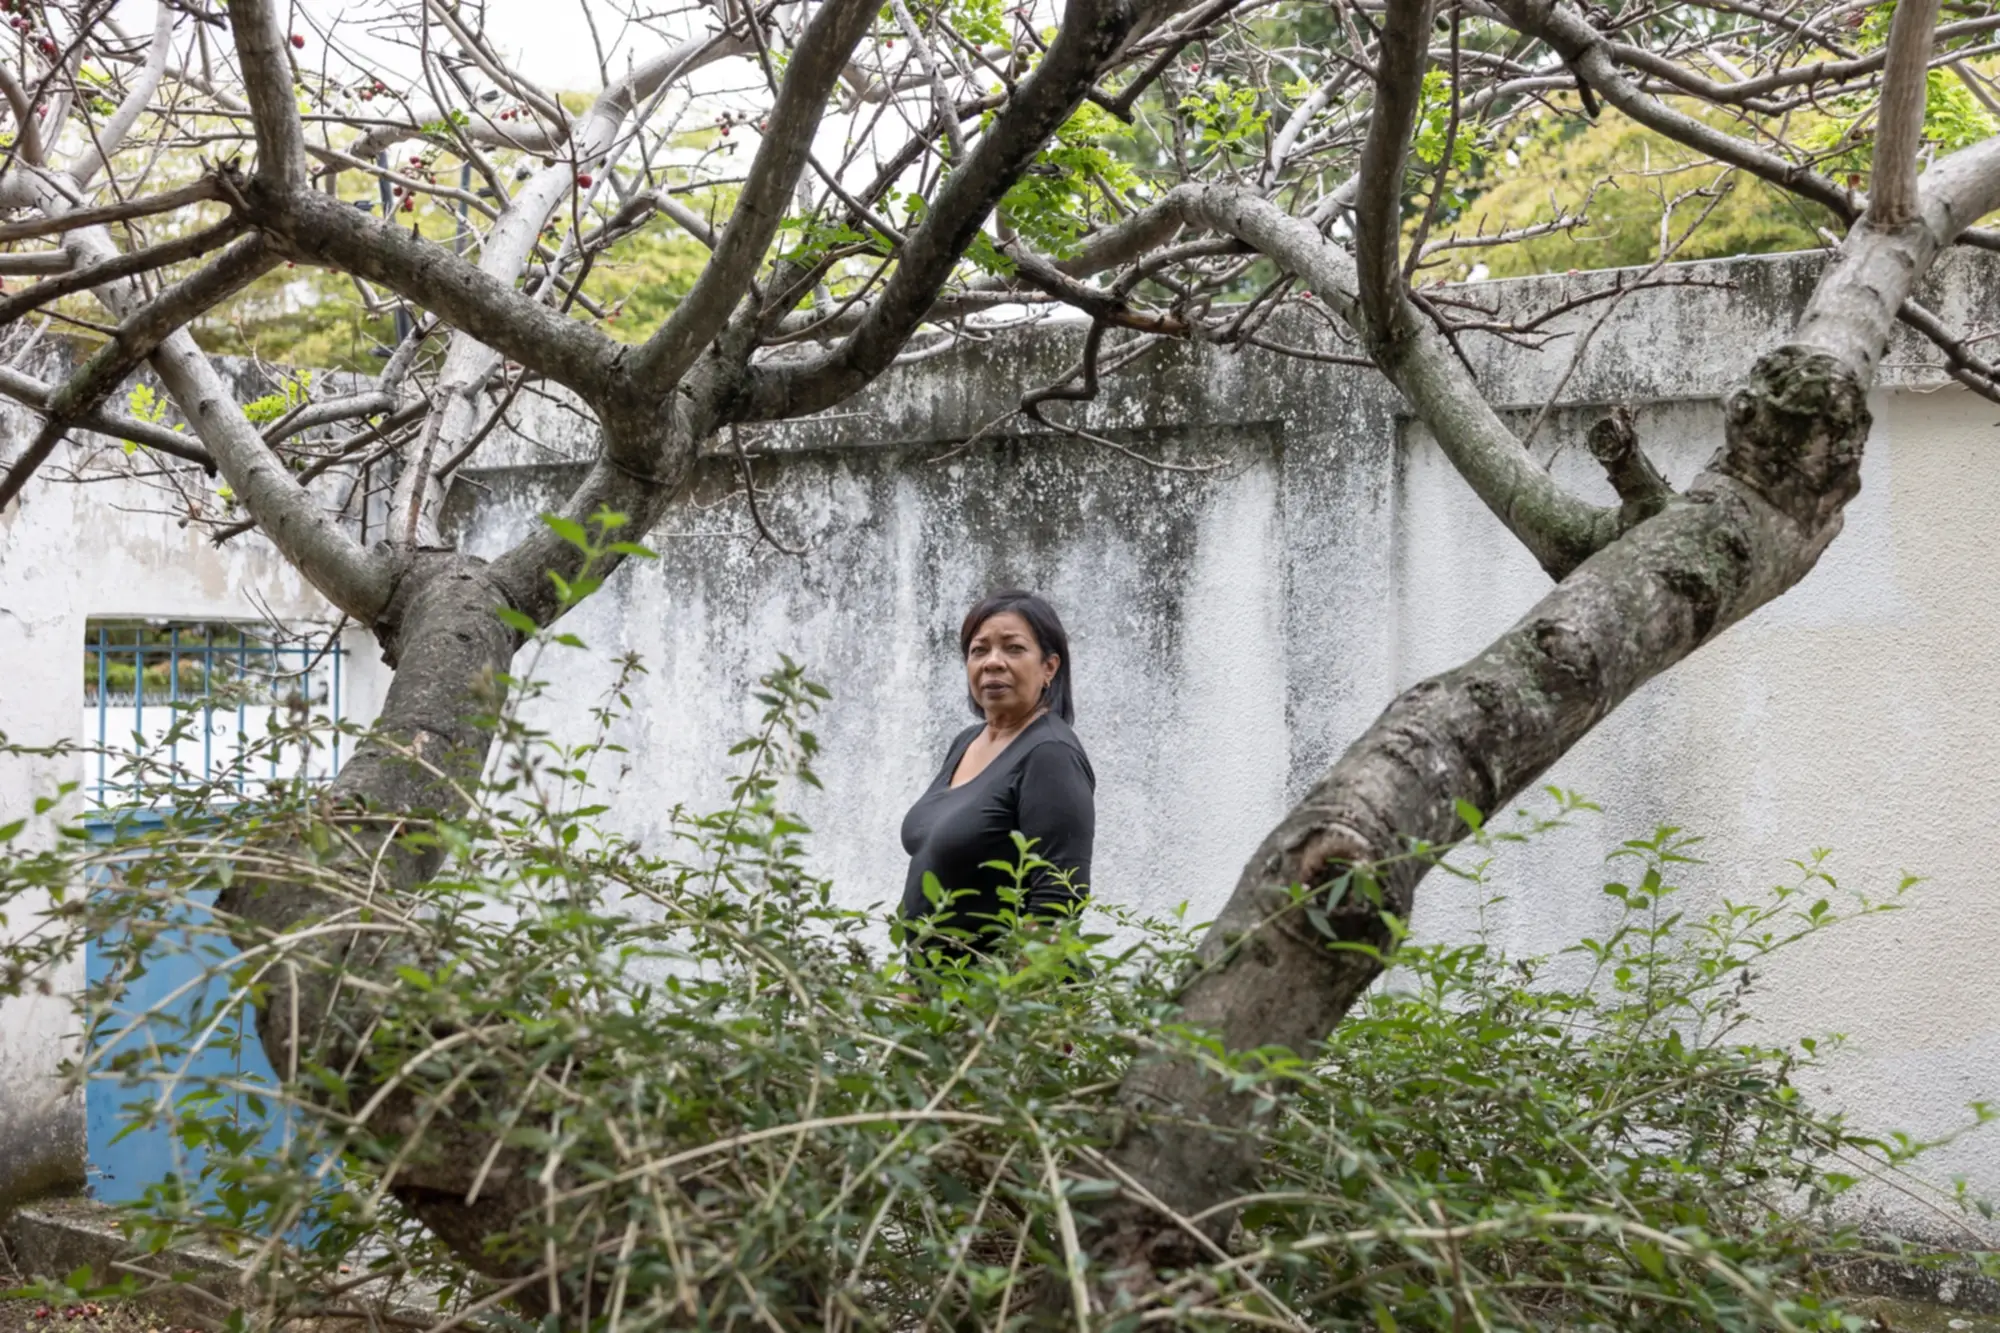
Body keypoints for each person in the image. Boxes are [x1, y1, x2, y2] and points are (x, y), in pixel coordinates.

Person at [899, 590, 1095, 960]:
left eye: (1014, 648)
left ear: (1049, 667)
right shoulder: (966, 742)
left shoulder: (1050, 754)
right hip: (941, 987)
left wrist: (1010, 992)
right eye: (979, 650)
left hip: (1003, 990)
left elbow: (1059, 899)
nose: (993, 663)